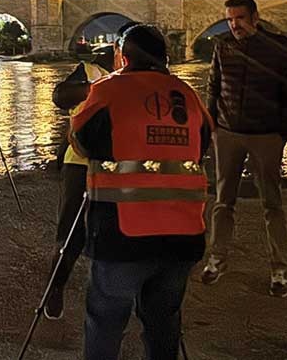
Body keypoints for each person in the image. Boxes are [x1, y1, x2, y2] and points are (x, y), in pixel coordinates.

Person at [71, 25, 213, 360]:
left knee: (106, 320)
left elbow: (81, 142)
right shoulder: (187, 93)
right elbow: (202, 144)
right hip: (183, 232)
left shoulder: (109, 90)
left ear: (121, 55)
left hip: (123, 231)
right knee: (164, 321)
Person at [202, 0, 287, 297]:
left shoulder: (279, 46)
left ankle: (279, 268)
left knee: (272, 203)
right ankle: (217, 259)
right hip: (228, 133)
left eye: (240, 19)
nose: (235, 25)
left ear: (254, 18)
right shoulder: (222, 45)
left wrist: (284, 132)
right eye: (230, 19)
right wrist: (213, 126)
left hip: (266, 134)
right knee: (223, 201)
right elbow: (213, 85)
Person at [44, 22, 136, 320]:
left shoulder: (143, 76)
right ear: (117, 48)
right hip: (80, 161)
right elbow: (60, 96)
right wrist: (103, 88)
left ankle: (112, 294)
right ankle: (56, 286)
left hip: (120, 165)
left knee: (114, 229)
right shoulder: (92, 70)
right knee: (70, 227)